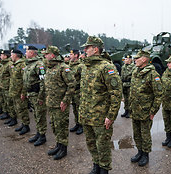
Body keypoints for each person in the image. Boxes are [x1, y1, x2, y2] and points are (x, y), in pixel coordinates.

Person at [79, 36, 122, 174]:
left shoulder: (107, 67)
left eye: (87, 47)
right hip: (86, 114)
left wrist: (111, 116)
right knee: (91, 143)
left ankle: (104, 169)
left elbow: (116, 93)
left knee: (102, 145)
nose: (85, 50)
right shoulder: (86, 66)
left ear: (95, 49)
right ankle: (96, 165)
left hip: (100, 116)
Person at [129, 50, 162, 166]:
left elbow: (158, 95)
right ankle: (139, 152)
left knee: (145, 134)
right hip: (135, 109)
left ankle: (145, 155)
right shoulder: (135, 72)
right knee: (136, 133)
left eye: (137, 58)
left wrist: (153, 111)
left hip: (146, 111)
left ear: (144, 59)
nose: (135, 60)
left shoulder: (153, 74)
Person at [44, 46, 76, 160]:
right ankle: (58, 145)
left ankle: (63, 149)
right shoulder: (50, 68)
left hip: (60, 104)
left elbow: (72, 85)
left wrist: (65, 100)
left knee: (61, 126)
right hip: (51, 103)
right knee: (54, 125)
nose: (45, 55)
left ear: (52, 55)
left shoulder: (63, 68)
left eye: (47, 54)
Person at [23, 46, 47, 146]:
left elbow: (43, 82)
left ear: (32, 53)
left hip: (37, 95)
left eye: (27, 51)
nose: (25, 53)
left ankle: (42, 136)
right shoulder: (29, 64)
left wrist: (41, 97)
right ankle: (38, 133)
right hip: (31, 94)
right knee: (36, 115)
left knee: (40, 115)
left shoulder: (39, 65)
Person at [9, 49, 31, 135]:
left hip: (20, 92)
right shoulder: (15, 64)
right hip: (15, 91)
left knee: (23, 109)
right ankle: (23, 123)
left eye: (12, 55)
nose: (11, 56)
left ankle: (26, 125)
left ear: (16, 55)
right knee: (18, 109)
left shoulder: (22, 64)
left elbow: (25, 80)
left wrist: (24, 93)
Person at [69, 49, 84, 135]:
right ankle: (77, 123)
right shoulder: (70, 65)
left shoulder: (80, 66)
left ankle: (81, 125)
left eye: (71, 54)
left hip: (78, 91)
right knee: (74, 108)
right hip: (72, 91)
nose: (70, 56)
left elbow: (83, 79)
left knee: (79, 108)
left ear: (76, 55)